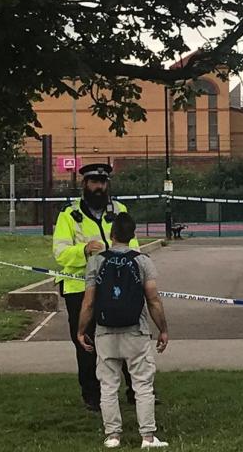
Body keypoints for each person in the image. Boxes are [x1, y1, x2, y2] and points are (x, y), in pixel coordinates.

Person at [52, 162, 142, 410]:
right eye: (94, 182)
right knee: (86, 343)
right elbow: (60, 253)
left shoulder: (119, 210)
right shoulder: (69, 215)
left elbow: (133, 245)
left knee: (125, 338)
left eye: (103, 183)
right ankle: (92, 395)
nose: (100, 187)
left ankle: (137, 391)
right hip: (78, 289)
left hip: (113, 286)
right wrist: (83, 250)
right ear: (85, 185)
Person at [78, 212, 169, 449]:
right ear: (133, 234)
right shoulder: (143, 261)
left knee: (107, 386)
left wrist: (80, 331)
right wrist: (163, 329)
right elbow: (154, 300)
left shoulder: (96, 261)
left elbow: (88, 302)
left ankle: (112, 436)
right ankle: (148, 436)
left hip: (105, 332)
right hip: (135, 332)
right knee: (142, 385)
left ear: (111, 234)